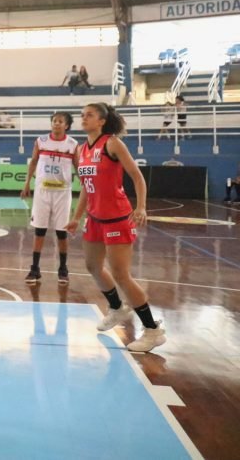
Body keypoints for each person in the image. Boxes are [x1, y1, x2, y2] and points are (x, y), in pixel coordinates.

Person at [66, 103, 165, 352]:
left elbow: (137, 176)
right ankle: (117, 308)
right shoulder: (81, 149)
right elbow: (87, 189)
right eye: (82, 115)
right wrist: (77, 217)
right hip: (95, 218)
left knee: (121, 275)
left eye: (89, 115)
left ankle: (152, 330)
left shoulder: (112, 144)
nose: (83, 118)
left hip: (117, 218)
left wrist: (141, 206)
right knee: (92, 266)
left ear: (101, 121)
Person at [20, 112, 78, 285]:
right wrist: (26, 183)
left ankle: (63, 269)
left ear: (66, 125)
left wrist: (86, 184)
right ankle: (35, 269)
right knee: (40, 231)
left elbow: (78, 165)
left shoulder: (72, 144)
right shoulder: (41, 141)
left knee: (61, 232)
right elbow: (33, 162)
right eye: (54, 121)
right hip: (42, 191)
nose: (56, 124)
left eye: (60, 121)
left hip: (62, 192)